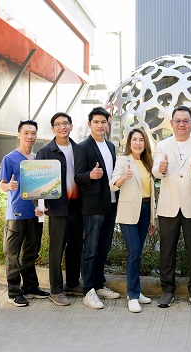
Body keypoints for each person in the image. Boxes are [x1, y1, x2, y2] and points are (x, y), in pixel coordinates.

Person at [152, 106, 191, 308]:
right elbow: (155, 170)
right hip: (168, 206)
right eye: (178, 121)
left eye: (186, 120)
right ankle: (167, 290)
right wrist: (160, 169)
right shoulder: (162, 145)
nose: (182, 124)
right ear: (171, 124)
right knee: (167, 251)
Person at [74, 107, 121, 309]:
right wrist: (90, 176)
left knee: (104, 248)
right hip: (93, 206)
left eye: (103, 122)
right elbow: (78, 176)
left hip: (111, 203)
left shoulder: (110, 146)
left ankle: (99, 284)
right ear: (89, 124)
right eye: (96, 122)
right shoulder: (83, 147)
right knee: (90, 250)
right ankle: (88, 291)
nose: (100, 125)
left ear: (107, 123)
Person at [34, 112, 83, 307]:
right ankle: (56, 290)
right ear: (53, 128)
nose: (62, 127)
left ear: (71, 126)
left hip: (77, 207)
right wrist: (38, 205)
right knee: (57, 250)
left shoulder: (79, 149)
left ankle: (72, 283)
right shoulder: (46, 152)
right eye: (58, 124)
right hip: (57, 208)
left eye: (65, 123)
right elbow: (36, 181)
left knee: (75, 247)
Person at [0, 120, 50, 307]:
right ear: (19, 135)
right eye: (26, 133)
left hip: (36, 214)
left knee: (31, 253)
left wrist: (42, 206)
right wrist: (9, 186)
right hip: (17, 214)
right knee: (12, 254)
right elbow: (2, 185)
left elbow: (42, 189)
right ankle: (13, 292)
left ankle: (30, 287)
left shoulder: (38, 159)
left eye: (33, 133)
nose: (30, 136)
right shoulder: (9, 158)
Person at [109, 128, 157, 313]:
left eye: (141, 140)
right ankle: (133, 295)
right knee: (134, 252)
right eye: (134, 140)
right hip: (129, 211)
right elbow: (112, 185)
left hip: (145, 210)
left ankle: (135, 290)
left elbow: (151, 192)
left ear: (145, 143)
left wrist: (152, 219)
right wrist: (124, 177)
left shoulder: (147, 162)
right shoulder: (123, 160)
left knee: (138, 253)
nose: (138, 143)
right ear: (129, 143)